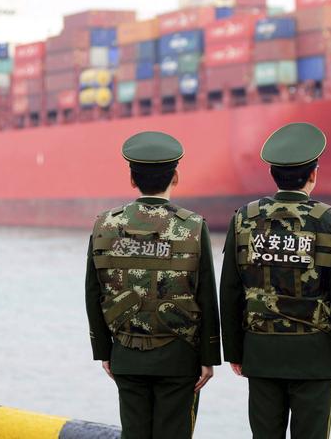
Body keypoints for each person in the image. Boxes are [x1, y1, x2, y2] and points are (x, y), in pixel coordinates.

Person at [220, 122, 331, 439]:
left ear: (272, 174)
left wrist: (235, 351)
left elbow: (230, 290)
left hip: (260, 352)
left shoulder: (244, 218)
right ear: (313, 174)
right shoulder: (330, 221)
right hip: (314, 356)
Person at [85, 131, 221, 439]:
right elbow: (206, 295)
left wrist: (105, 351)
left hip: (126, 353)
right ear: (176, 177)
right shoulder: (193, 226)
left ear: (132, 180)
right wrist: (208, 358)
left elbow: (93, 292)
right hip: (179, 357)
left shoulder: (105, 224)